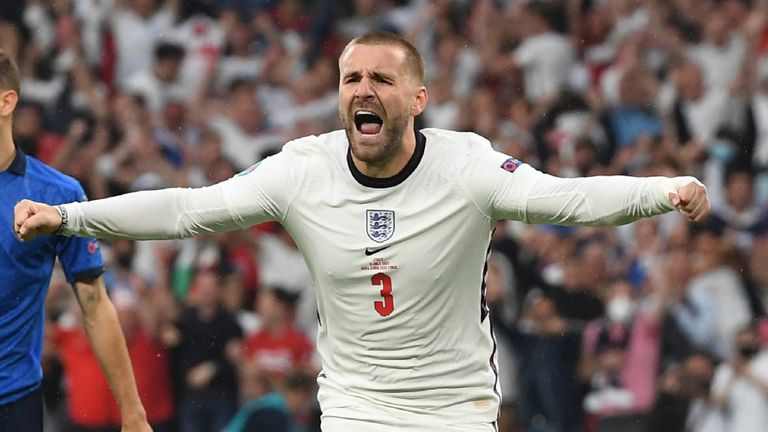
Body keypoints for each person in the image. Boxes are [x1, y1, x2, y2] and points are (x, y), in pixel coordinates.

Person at [13, 32, 710, 432]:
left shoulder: (466, 163)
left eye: (381, 77)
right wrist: (71, 216)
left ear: (417, 99)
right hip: (355, 409)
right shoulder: (303, 170)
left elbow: (566, 199)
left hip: (456, 410)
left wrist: (663, 191)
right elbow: (188, 210)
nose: (362, 89)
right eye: (351, 78)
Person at [0, 51, 151, 431]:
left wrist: (132, 413)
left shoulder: (57, 195)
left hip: (13, 404)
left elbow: (96, 304)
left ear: (6, 101)